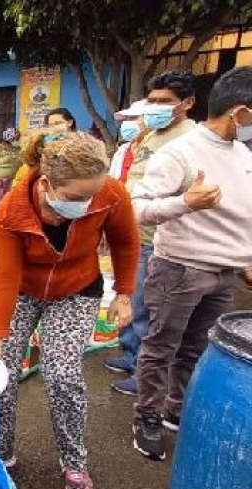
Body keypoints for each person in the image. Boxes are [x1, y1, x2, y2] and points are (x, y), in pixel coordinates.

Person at [0, 129, 139, 489]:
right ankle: (0, 454)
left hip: (76, 289)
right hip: (22, 290)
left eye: (92, 196)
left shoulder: (111, 193)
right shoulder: (12, 210)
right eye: (75, 198)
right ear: (48, 183)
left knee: (63, 374)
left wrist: (125, 294)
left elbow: (125, 241)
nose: (86, 204)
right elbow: (5, 274)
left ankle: (74, 462)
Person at [129, 66, 252, 461]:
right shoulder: (179, 153)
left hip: (224, 272)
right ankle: (146, 414)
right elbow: (137, 209)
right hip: (180, 269)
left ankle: (174, 408)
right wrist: (186, 202)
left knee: (196, 347)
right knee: (161, 345)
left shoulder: (243, 155)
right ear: (241, 113)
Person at [105, 70, 198, 396]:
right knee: (133, 300)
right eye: (153, 101)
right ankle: (131, 355)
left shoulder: (191, 140)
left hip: (161, 238)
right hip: (135, 232)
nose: (156, 108)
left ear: (187, 103)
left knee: (153, 309)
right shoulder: (153, 134)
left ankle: (145, 375)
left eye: (165, 102)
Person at [108, 101, 148, 183]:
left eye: (133, 117)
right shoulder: (122, 150)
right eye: (126, 118)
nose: (127, 122)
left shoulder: (160, 149)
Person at [0, 128, 22, 213]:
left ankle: (7, 218)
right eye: (16, 137)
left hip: (14, 180)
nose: (18, 139)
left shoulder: (17, 149)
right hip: (1, 180)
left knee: (10, 201)